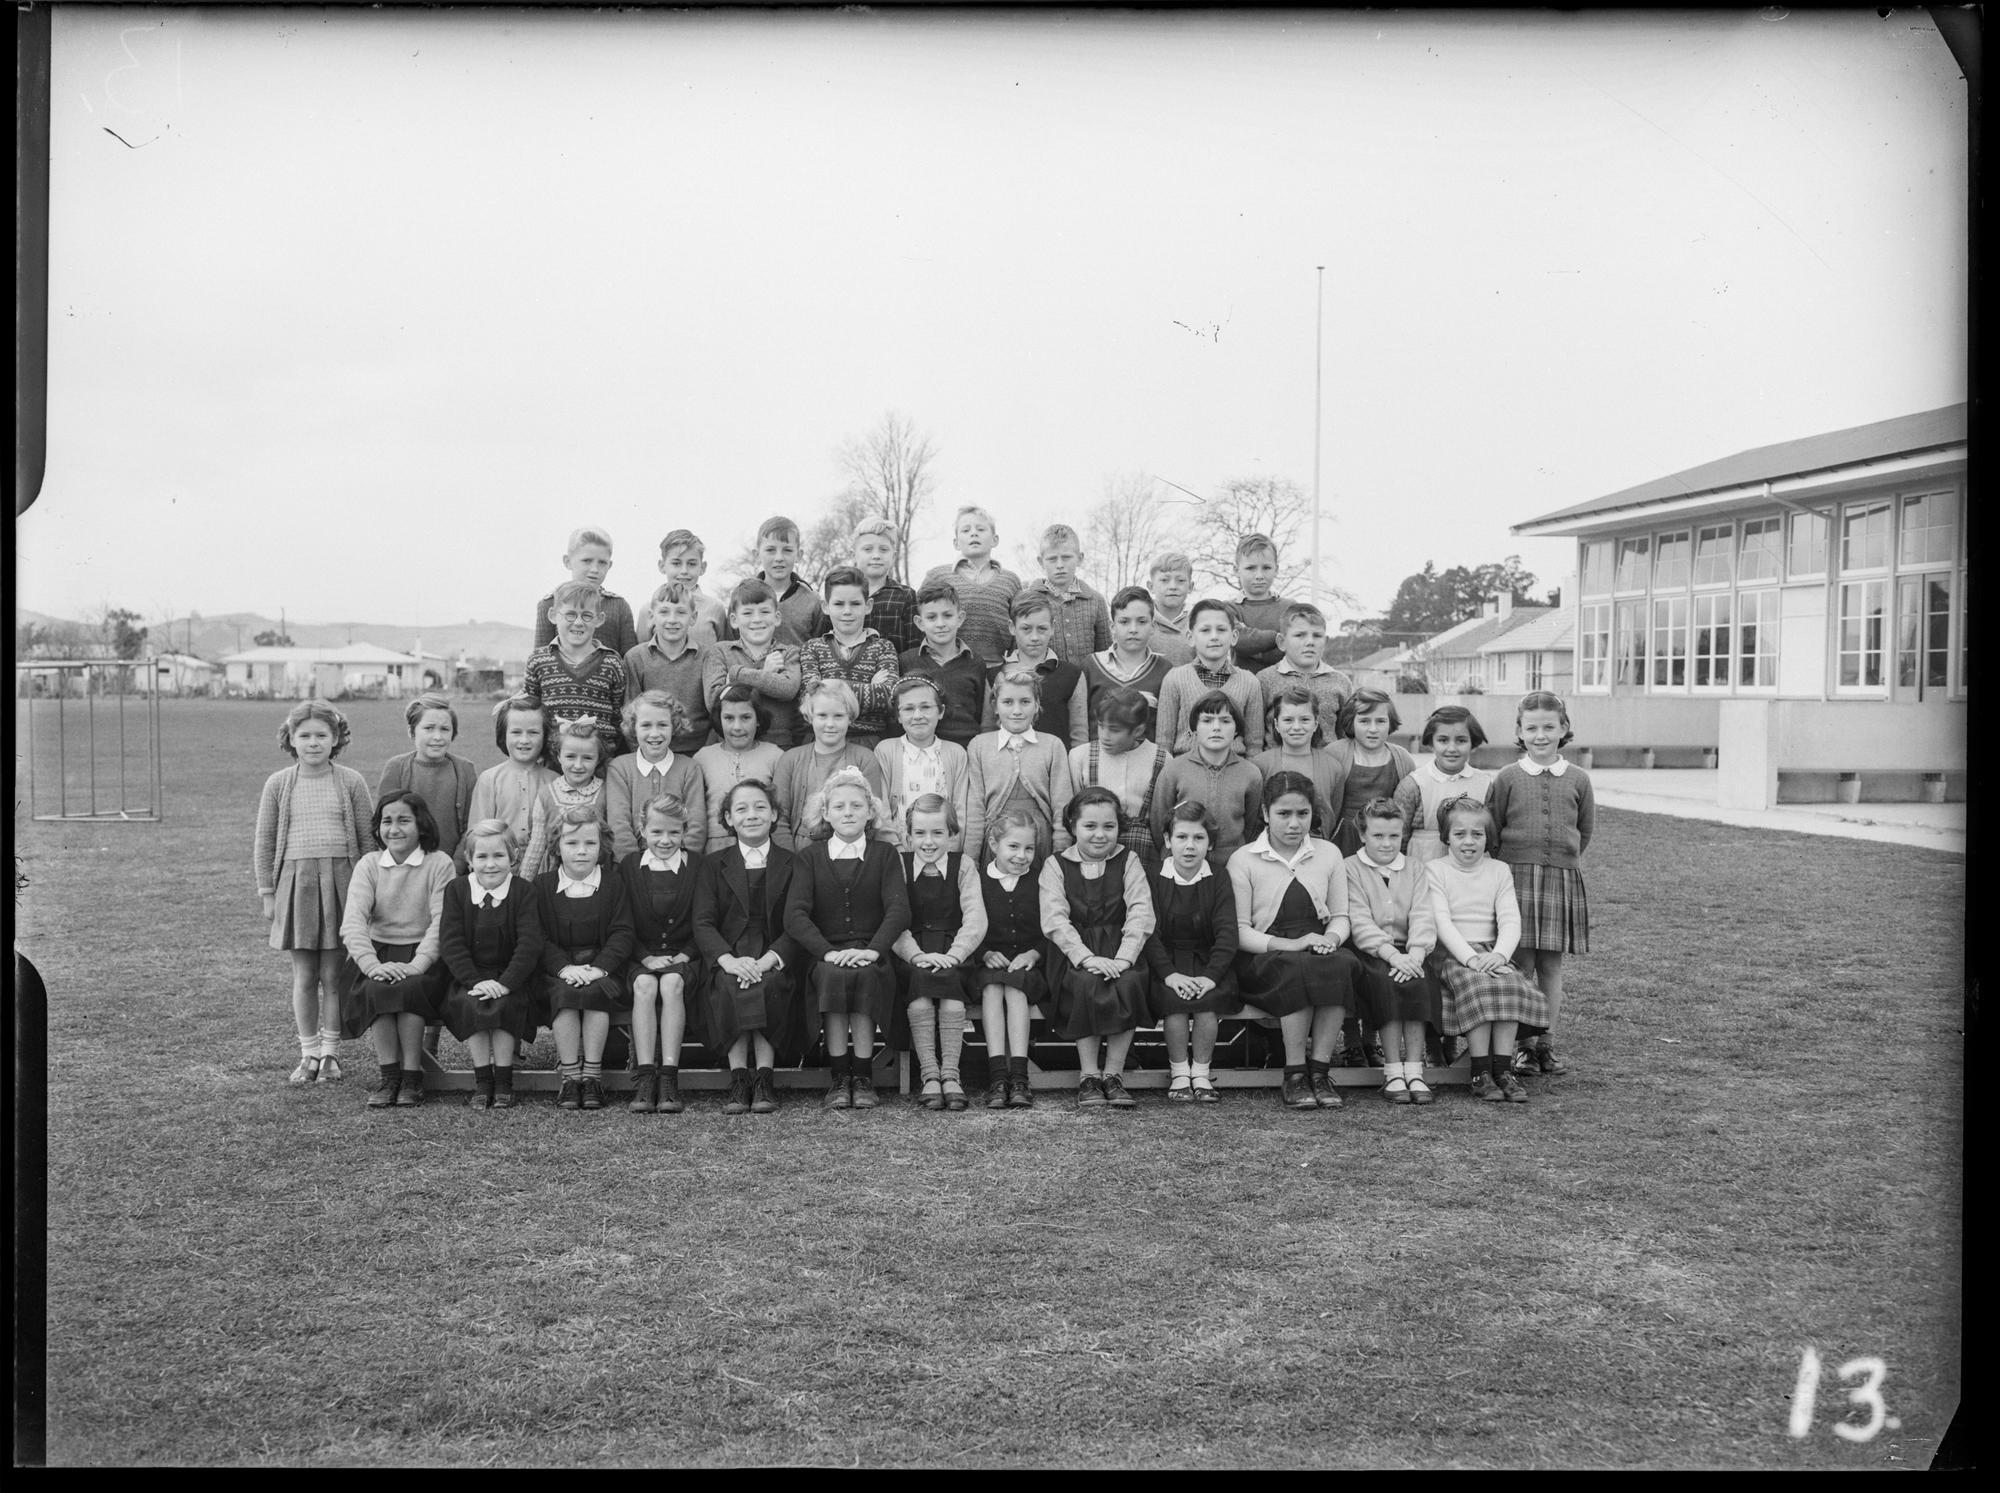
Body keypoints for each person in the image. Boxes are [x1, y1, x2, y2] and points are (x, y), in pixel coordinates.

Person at [254, 700, 375, 1084]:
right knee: (305, 975)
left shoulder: (351, 781)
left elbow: (368, 841)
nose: (313, 743)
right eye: (304, 736)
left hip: (342, 882)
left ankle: (330, 1053)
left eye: (321, 735)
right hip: (296, 884)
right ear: (290, 739)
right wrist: (268, 893)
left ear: (336, 738)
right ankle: (307, 1053)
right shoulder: (278, 784)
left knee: (334, 975)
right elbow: (266, 841)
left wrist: (367, 892)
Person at [1228, 770, 1362, 1111]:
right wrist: (1288, 944)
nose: (1294, 823)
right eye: (1283, 814)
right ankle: (1294, 1073)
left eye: (1302, 814)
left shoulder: (1328, 853)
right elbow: (1240, 930)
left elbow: (1341, 915)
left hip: (1317, 943)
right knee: (1296, 968)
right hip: (1267, 954)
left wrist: (1332, 938)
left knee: (1341, 964)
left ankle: (1320, 1071)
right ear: (1264, 814)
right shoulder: (1244, 859)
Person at [783, 767, 911, 1111]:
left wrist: (872, 952)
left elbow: (898, 911)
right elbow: (795, 915)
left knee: (865, 976)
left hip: (872, 953)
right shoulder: (809, 857)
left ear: (871, 812)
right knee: (835, 977)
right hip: (827, 955)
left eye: (856, 806)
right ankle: (840, 1076)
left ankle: (863, 1075)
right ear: (826, 813)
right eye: (839, 807)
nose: (848, 813)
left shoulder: (884, 854)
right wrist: (826, 953)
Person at [1487, 691, 1593, 1079]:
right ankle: (1523, 1047)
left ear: (1564, 729)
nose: (1541, 735)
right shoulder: (1508, 777)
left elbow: (1585, 829)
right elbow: (1492, 827)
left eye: (1549, 727)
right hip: (1517, 879)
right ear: (1520, 731)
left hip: (1560, 878)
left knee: (1550, 965)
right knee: (1521, 963)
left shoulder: (1579, 778)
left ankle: (1546, 1041)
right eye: (1532, 728)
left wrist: (1563, 858)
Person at [1425, 795, 1548, 1104]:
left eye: (1477, 834)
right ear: (1446, 837)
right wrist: (1471, 958)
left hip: (1491, 952)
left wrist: (1500, 955)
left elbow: (1510, 919)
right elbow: (1441, 921)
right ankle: (1480, 1072)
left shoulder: (1498, 870)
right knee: (1478, 985)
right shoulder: (1435, 870)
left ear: (1487, 837)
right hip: (1452, 953)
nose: (1469, 842)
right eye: (1460, 834)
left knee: (1508, 983)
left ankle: (1503, 1069)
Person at [1039, 787, 1156, 1111]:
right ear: (1073, 826)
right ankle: (1089, 1075)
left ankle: (1113, 1075)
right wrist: (1085, 958)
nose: (1100, 835)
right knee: (1086, 984)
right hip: (1073, 953)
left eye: (1109, 826)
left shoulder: (1128, 860)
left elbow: (1141, 912)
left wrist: (1125, 957)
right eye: (1090, 826)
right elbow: (1054, 920)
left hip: (1120, 949)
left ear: (1119, 826)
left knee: (1129, 982)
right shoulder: (1056, 864)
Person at [338, 790, 454, 1110]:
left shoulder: (438, 863)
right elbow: (353, 922)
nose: (394, 829)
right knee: (379, 989)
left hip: (425, 957)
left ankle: (412, 1077)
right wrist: (371, 964)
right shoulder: (369, 865)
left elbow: (442, 922)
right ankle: (389, 1077)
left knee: (409, 990)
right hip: (377, 954)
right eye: (386, 821)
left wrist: (418, 964)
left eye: (404, 820)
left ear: (421, 825)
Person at [692, 779, 802, 1116]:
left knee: (770, 985)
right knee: (729, 985)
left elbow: (798, 920)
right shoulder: (713, 864)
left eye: (759, 807)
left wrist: (770, 959)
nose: (751, 815)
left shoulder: (793, 862)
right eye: (741, 809)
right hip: (730, 953)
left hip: (774, 952)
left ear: (773, 815)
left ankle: (765, 1077)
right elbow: (703, 922)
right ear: (727, 818)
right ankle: (739, 1077)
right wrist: (727, 960)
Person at [438, 820, 545, 1110]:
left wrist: (505, 983)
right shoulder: (458, 890)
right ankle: (483, 1080)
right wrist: (474, 982)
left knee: (504, 1006)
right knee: (474, 1004)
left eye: (499, 856)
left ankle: (504, 1080)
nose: (490, 864)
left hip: (512, 977)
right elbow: (451, 943)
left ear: (514, 857)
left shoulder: (523, 891)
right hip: (470, 978)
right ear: (469, 861)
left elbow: (529, 944)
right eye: (481, 857)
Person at [535, 809, 637, 1112]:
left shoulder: (614, 884)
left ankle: (592, 1076)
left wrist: (598, 969)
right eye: (572, 843)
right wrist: (564, 968)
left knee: (594, 993)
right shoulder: (541, 886)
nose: (581, 851)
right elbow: (536, 937)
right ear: (557, 847)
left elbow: (622, 933)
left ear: (602, 847)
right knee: (565, 994)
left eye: (590, 843)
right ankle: (570, 1076)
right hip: (557, 972)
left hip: (603, 969)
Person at [892, 795, 988, 1112]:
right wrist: (915, 955)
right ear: (908, 836)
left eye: (937, 833)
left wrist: (956, 954)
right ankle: (930, 1075)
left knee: (951, 995)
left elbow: (975, 918)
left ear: (952, 834)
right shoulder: (900, 865)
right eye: (919, 833)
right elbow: (893, 918)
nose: (928, 842)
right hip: (913, 953)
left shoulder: (964, 866)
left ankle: (951, 1075)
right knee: (919, 994)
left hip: (954, 952)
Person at [1344, 798, 1441, 1105]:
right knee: (1388, 982)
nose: (1387, 844)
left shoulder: (1413, 867)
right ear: (1362, 835)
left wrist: (1415, 955)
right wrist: (1393, 956)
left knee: (1416, 980)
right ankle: (1392, 1071)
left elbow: (1424, 914)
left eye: (1394, 836)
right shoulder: (1350, 868)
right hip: (1370, 952)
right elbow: (1358, 921)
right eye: (1378, 836)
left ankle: (1414, 1069)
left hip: (1410, 950)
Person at [1144, 801, 1240, 1104]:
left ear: (1210, 843)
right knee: (1175, 1004)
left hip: (1207, 960)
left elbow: (1227, 932)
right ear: (1168, 840)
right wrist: (1169, 975)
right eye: (1182, 837)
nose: (1189, 846)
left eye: (1198, 838)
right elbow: (1148, 933)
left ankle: (1200, 1072)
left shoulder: (1219, 877)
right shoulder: (1153, 876)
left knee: (1206, 1005)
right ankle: (1179, 1073)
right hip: (1167, 962)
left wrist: (1212, 976)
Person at [618, 795, 701, 1115]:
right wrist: (644, 958)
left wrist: (686, 954)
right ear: (642, 830)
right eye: (656, 832)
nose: (665, 840)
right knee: (646, 986)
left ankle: (669, 1077)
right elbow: (622, 924)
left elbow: (704, 919)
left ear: (684, 832)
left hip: (684, 959)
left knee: (670, 985)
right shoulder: (628, 867)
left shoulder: (697, 865)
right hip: (639, 958)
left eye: (674, 833)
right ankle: (645, 1076)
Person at [972, 810, 1046, 1110]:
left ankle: (1019, 1077)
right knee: (992, 988)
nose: (1021, 856)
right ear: (993, 844)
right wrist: (984, 953)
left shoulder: (1042, 879)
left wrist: (1035, 952)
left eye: (1029, 848)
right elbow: (965, 924)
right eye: (1013, 847)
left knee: (1015, 987)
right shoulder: (977, 880)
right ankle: (997, 1077)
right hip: (987, 964)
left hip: (1030, 966)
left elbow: (1055, 927)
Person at [963, 667, 1076, 859]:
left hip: (1038, 841)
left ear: (1036, 704)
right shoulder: (979, 746)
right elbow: (975, 808)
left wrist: (1060, 854)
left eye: (1025, 702)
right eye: (1007, 702)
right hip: (996, 840)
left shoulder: (1052, 745)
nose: (1017, 711)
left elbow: (1061, 805)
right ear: (995, 705)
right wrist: (971, 859)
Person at [771, 679, 893, 851]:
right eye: (822, 715)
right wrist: (790, 861)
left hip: (851, 851)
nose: (830, 724)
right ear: (809, 716)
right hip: (800, 852)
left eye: (838, 716)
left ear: (850, 718)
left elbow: (872, 818)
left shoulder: (864, 759)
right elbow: (779, 819)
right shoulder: (790, 760)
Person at [1151, 691, 1264, 871]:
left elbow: (1251, 824)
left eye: (1225, 721)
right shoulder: (1173, 770)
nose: (1216, 727)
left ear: (1237, 729)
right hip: (1182, 866)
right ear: (1194, 728)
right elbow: (1159, 822)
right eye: (1207, 720)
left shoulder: (1251, 774)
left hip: (1232, 865)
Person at [523, 579, 627, 764]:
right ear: (553, 615)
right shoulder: (538, 661)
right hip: (552, 763)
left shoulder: (612, 662)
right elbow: (531, 714)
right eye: (570, 615)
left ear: (599, 619)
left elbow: (619, 716)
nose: (578, 622)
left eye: (587, 616)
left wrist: (608, 751)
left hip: (599, 764)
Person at [799, 565, 901, 749]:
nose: (847, 611)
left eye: (855, 604)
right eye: (839, 604)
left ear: (868, 606)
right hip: (821, 742)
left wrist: (829, 685)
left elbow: (889, 697)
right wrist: (871, 688)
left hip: (870, 741)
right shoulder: (813, 648)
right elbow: (809, 696)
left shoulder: (883, 647)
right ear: (825, 607)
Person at [374, 692, 478, 864]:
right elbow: (384, 824)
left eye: (444, 729)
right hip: (405, 868)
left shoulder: (465, 770)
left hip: (452, 870)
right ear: (411, 731)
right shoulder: (397, 767)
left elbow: (471, 827)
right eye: (429, 728)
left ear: (453, 733)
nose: (437, 737)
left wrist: (456, 867)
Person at [702, 578, 806, 749]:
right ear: (734, 620)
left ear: (777, 617)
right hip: (731, 747)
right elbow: (714, 700)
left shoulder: (789, 653)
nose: (757, 619)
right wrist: (766, 674)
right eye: (748, 613)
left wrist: (736, 674)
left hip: (780, 746)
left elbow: (788, 689)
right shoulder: (720, 652)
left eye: (764, 612)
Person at [1069, 687, 1168, 861]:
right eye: (1101, 726)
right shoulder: (1080, 756)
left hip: (1142, 850)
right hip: (1093, 849)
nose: (1105, 736)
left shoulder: (1161, 758)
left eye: (1114, 730)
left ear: (1137, 730)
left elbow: (1163, 817)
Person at [606, 691, 708, 860]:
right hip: (631, 868)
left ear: (674, 726)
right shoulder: (620, 768)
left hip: (680, 866)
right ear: (634, 727)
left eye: (662, 725)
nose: (654, 733)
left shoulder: (689, 768)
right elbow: (618, 824)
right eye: (646, 725)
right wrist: (632, 865)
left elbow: (696, 824)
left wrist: (683, 861)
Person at [1156, 599, 1265, 757]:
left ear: (1234, 636)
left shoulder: (1249, 682)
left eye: (1221, 630)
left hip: (1234, 771)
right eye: (1205, 630)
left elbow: (1254, 744)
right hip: (1185, 771)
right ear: (1190, 637)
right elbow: (1164, 741)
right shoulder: (1174, 678)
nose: (1214, 636)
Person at [875, 675, 971, 851]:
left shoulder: (956, 754)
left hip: (943, 852)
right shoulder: (886, 751)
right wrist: (896, 849)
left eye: (925, 707)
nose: (917, 715)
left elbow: (960, 810)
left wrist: (951, 851)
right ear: (898, 715)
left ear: (940, 711)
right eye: (908, 709)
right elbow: (882, 809)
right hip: (899, 851)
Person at [982, 590, 1087, 747]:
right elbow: (988, 730)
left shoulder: (1072, 675)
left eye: (1042, 629)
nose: (1035, 637)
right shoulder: (995, 676)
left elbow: (1079, 734)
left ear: (1052, 628)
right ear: (1012, 627)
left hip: (1055, 767)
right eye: (1026, 629)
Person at [920, 505, 1021, 667]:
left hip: (998, 667)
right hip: (949, 666)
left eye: (981, 529)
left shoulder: (1010, 580)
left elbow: (1019, 626)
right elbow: (923, 621)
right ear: (956, 543)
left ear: (995, 540)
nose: (974, 533)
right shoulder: (937, 576)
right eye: (966, 530)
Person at [623, 580, 713, 758]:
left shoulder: (707, 657)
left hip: (697, 751)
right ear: (651, 616)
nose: (672, 619)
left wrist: (706, 754)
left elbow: (713, 711)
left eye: (681, 612)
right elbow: (630, 715)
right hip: (650, 752)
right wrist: (641, 756)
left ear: (693, 617)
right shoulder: (636, 658)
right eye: (664, 612)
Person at [464, 696, 555, 870]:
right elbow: (477, 834)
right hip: (498, 870)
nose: (524, 740)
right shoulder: (490, 779)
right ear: (503, 734)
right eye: (516, 732)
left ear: (545, 736)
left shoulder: (553, 781)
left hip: (542, 872)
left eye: (533, 732)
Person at [1394, 705, 1493, 863]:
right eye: (1443, 740)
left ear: (1472, 743)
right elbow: (1399, 838)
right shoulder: (1414, 785)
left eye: (1461, 740)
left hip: (1471, 869)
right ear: (1431, 742)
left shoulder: (1484, 784)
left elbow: (1491, 836)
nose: (1451, 748)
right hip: (1423, 866)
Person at [692, 686, 784, 852]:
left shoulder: (775, 756)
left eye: (746, 717)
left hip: (762, 845)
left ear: (758, 719)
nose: (737, 726)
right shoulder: (702, 758)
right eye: (728, 718)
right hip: (716, 847)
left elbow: (781, 810)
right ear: (719, 720)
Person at [898, 580, 987, 749]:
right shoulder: (906, 661)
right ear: (919, 623)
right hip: (920, 750)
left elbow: (980, 712)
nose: (940, 624)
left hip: (965, 747)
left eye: (947, 615)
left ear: (960, 618)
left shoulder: (976, 662)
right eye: (931, 617)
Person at [520, 718, 611, 881]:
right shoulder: (546, 794)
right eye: (570, 756)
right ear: (559, 756)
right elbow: (536, 846)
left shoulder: (605, 793)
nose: (578, 765)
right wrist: (523, 886)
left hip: (596, 875)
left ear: (598, 759)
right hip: (554, 877)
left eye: (587, 758)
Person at [1079, 585, 1173, 739]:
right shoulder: (1090, 666)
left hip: (1145, 760)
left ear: (1153, 627)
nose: (1133, 629)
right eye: (1124, 622)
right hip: (1098, 759)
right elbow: (1080, 723)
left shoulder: (1165, 670)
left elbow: (1165, 729)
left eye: (1142, 622)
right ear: (1112, 627)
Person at [1254, 602, 1354, 746]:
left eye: (1317, 636)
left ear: (1325, 641)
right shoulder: (1264, 679)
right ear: (1282, 642)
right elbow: (1255, 735)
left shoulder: (1341, 682)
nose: (1309, 642)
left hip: (1328, 766)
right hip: (1278, 766)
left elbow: (1346, 736)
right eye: (1300, 635)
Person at [1252, 684, 1344, 840]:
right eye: (1288, 720)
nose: (1296, 727)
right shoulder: (1260, 766)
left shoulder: (1333, 768)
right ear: (1276, 725)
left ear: (1315, 724)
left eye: (1304, 720)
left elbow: (1332, 813)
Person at [531, 526, 639, 657]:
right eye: (587, 561)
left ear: (609, 566)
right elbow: (540, 658)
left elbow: (630, 659)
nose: (595, 569)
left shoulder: (619, 606)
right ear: (567, 562)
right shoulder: (549, 604)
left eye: (602, 563)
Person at [1022, 522, 1112, 664]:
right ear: (1040, 561)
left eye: (1066, 557)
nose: (1059, 565)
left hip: (1087, 683)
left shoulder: (1096, 601)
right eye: (1052, 559)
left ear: (1080, 558)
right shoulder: (1027, 600)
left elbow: (1106, 652)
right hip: (1041, 682)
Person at [644, 528, 732, 648]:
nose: (684, 571)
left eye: (691, 564)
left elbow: (725, 652)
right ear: (662, 566)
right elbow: (643, 654)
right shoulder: (649, 609)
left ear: (702, 567)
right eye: (676, 563)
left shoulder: (715, 608)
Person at [752, 514, 827, 647]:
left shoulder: (813, 600)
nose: (779, 557)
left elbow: (822, 648)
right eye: (770, 550)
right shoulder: (743, 598)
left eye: (787, 550)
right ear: (757, 555)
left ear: (799, 555)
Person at [852, 515, 921, 658]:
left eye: (883, 550)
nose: (876, 555)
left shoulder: (905, 596)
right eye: (868, 549)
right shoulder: (841, 594)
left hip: (894, 675)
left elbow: (914, 648)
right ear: (854, 555)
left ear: (894, 557)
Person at [1229, 532, 1288, 674]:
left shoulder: (1289, 608)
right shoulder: (1229, 609)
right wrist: (1279, 638)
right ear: (1236, 570)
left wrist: (1255, 652)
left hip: (1283, 690)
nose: (1259, 575)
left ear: (1276, 569)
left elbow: (1295, 646)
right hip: (1242, 690)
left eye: (1266, 568)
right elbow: (1240, 641)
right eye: (1250, 568)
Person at [1147, 552, 1196, 666]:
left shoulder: (1199, 622)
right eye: (1164, 580)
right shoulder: (1140, 621)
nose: (1173, 586)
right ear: (1151, 586)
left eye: (1180, 580)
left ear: (1190, 587)